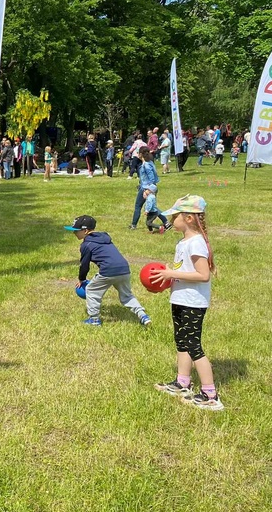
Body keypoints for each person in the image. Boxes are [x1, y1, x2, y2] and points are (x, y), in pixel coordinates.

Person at [150, 195, 223, 410]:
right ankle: (183, 383)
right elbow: (185, 271)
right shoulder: (184, 241)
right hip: (181, 298)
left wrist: (172, 272)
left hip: (193, 302)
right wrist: (168, 275)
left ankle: (210, 394)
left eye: (175, 216)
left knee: (193, 345)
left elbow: (203, 275)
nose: (171, 220)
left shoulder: (196, 242)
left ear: (189, 218)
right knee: (181, 340)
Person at [64, 215, 151, 327]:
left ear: (85, 231)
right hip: (124, 269)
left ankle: (94, 319)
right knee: (127, 295)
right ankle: (142, 315)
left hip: (108, 271)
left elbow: (84, 265)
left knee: (91, 290)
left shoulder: (86, 245)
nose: (74, 233)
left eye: (76, 231)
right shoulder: (104, 238)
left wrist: (81, 279)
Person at [129, 147, 160, 230]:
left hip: (147, 188)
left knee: (138, 206)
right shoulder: (150, 163)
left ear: (140, 154)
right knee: (153, 207)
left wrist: (147, 190)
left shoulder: (146, 165)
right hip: (148, 187)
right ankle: (166, 223)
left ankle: (133, 225)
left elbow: (152, 179)